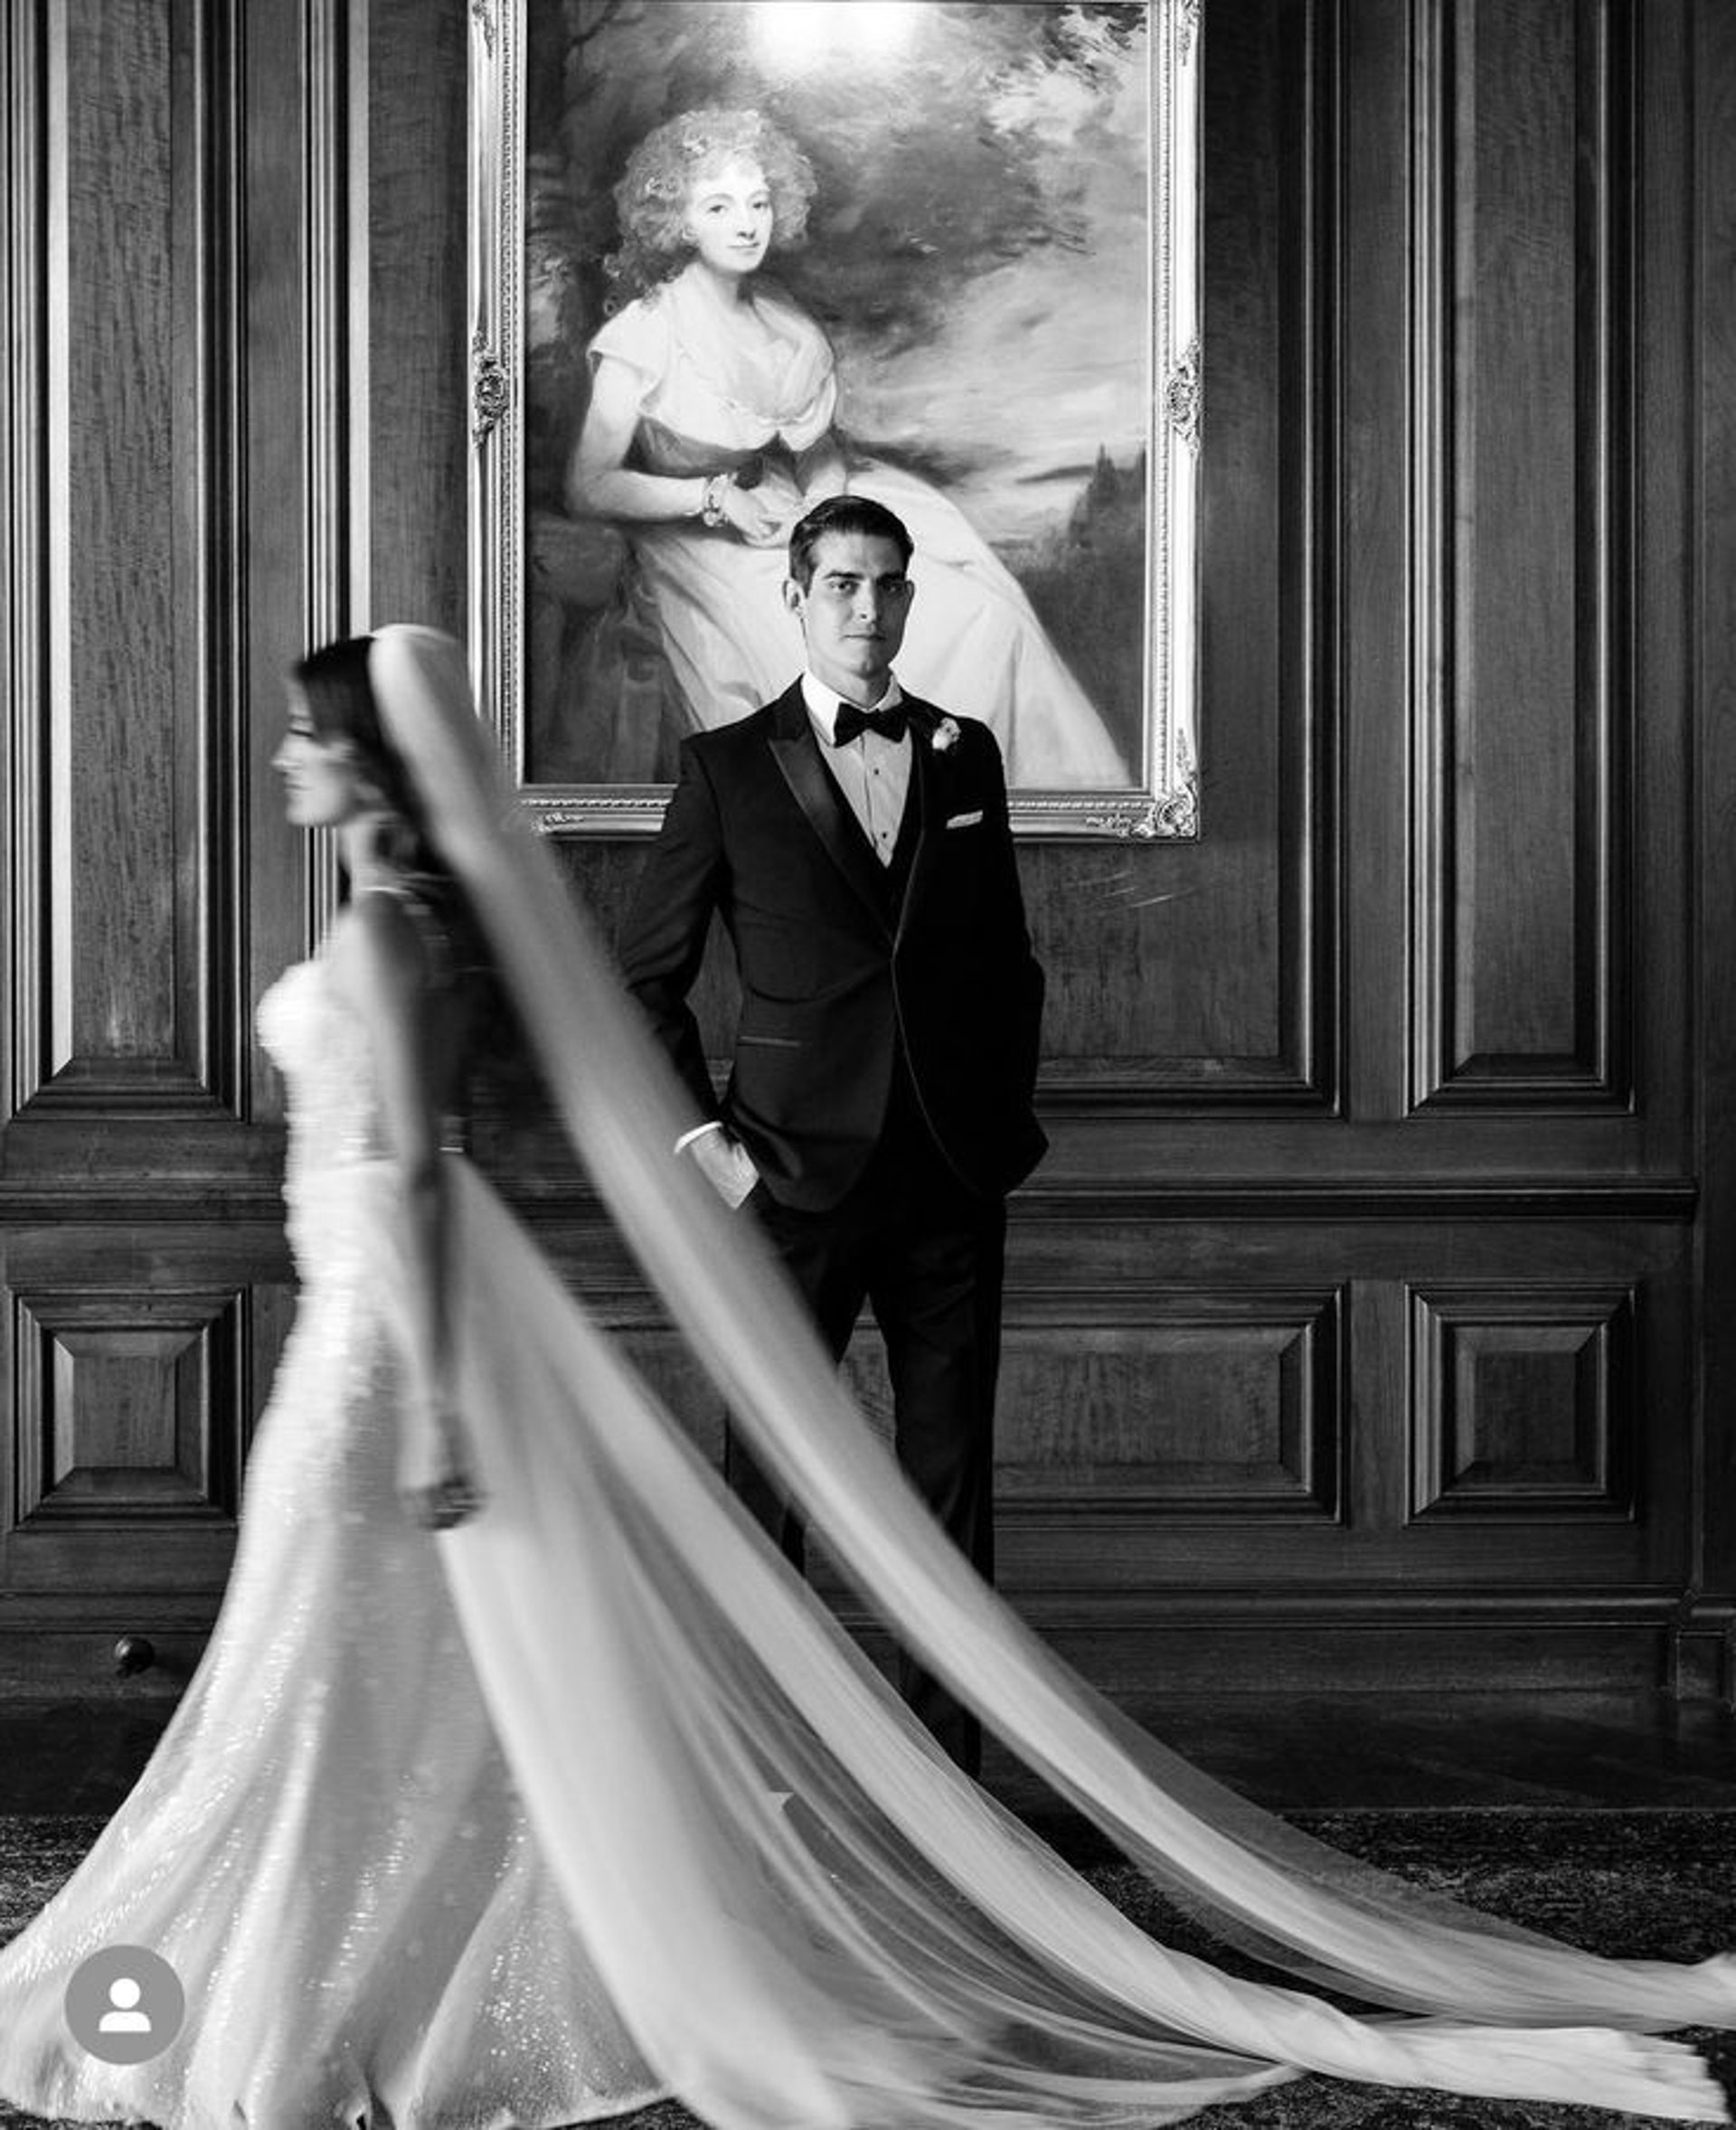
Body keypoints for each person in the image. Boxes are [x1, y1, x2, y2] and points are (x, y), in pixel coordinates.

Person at [4, 624, 1734, 2130]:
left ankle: (281, 1994)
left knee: (322, 1692)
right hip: (377, 1329)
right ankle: (320, 1967)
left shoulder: (395, 937)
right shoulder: (422, 911)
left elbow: (424, 1188)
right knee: (336, 1687)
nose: (292, 755)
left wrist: (443, 1399)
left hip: (392, 1345)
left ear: (376, 762)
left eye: (315, 731)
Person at [618, 491, 1043, 1775]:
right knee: (773, 1481)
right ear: (796, 598)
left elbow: (1007, 966)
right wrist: (711, 1148)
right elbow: (644, 980)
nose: (868, 608)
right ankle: (761, 1766)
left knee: (951, 1481)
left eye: (888, 585)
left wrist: (992, 1120)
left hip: (951, 1179)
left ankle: (949, 1784)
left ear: (910, 600)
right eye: (843, 585)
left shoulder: (969, 758)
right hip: (788, 1178)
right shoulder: (725, 768)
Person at [566, 104, 1132, 790]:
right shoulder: (646, 333)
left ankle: (990, 808)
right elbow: (590, 484)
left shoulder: (786, 326)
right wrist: (714, 500)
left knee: (984, 617)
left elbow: (817, 448)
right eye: (718, 207)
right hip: (698, 541)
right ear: (681, 222)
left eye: (759, 202)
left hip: (798, 518)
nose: (747, 223)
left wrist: (819, 509)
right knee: (812, 652)